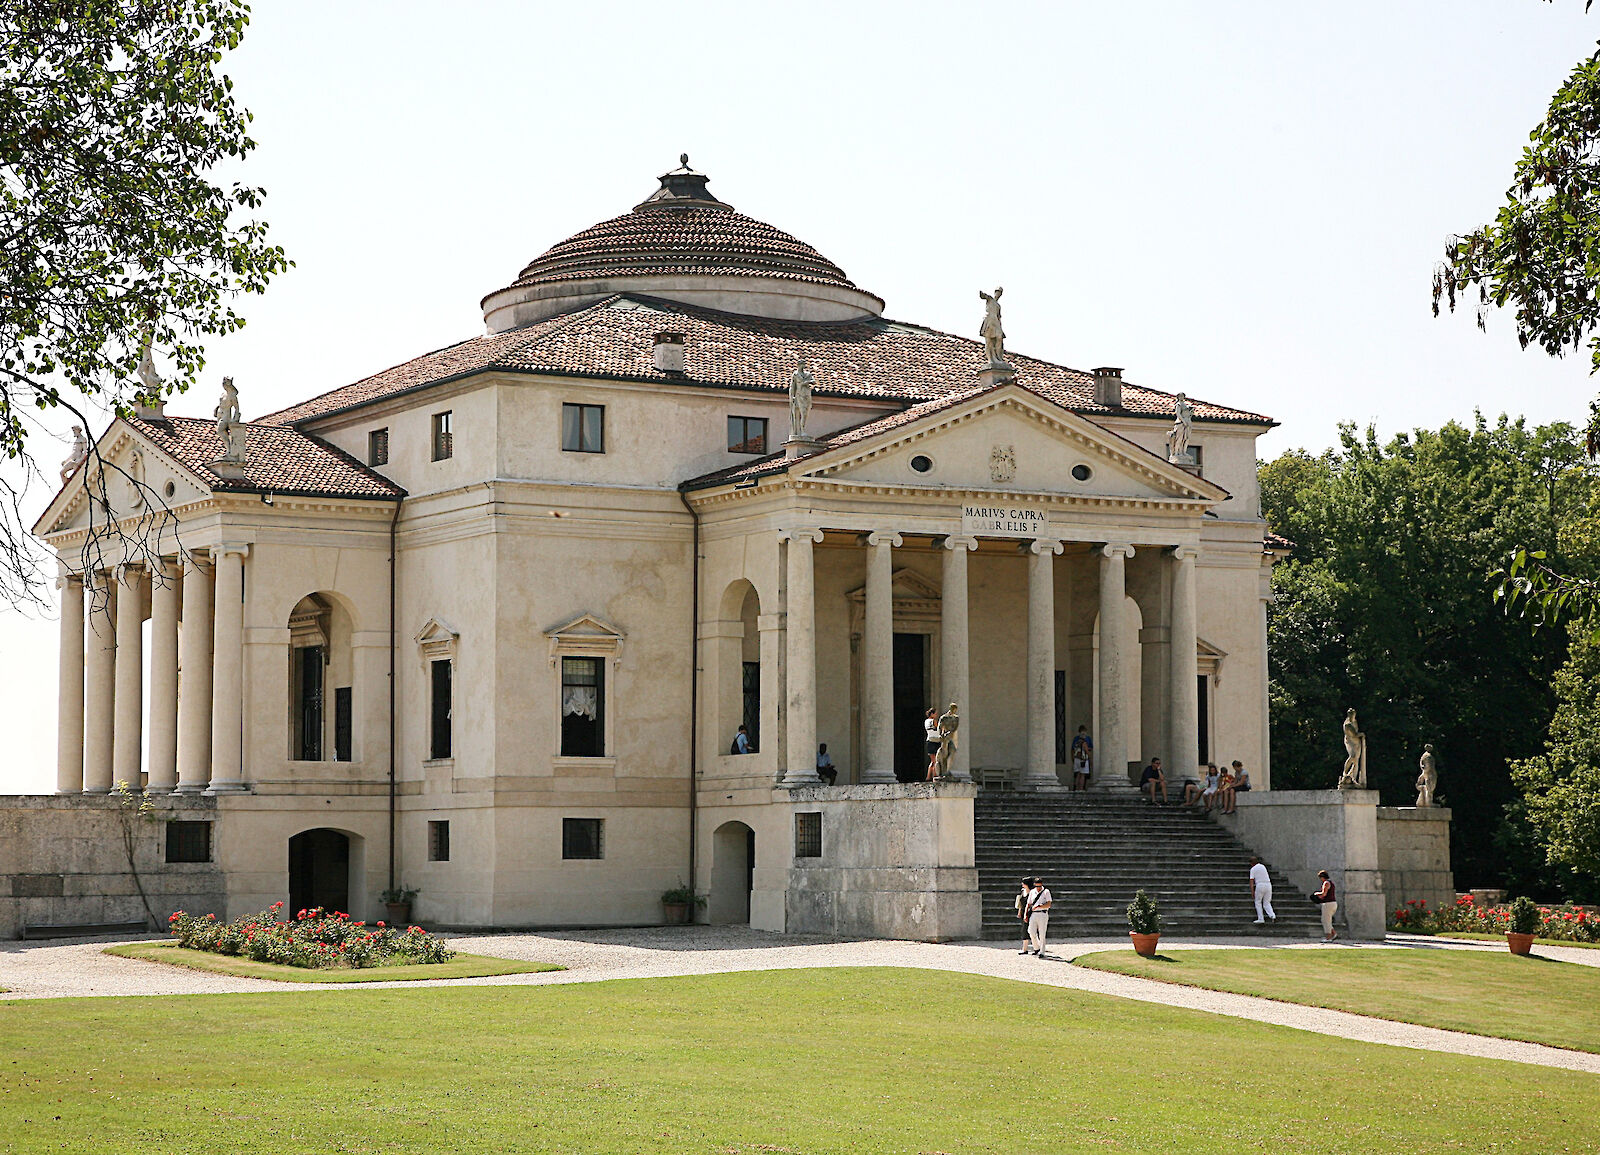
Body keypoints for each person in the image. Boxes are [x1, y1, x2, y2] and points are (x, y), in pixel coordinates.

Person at [1026, 876, 1053, 957]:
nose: (1038, 888)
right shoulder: (1032, 892)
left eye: (1039, 886)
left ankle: (1042, 951)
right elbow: (1029, 903)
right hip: (1034, 914)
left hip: (1042, 913)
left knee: (1042, 933)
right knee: (1031, 931)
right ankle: (1036, 947)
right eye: (1036, 886)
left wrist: (1040, 906)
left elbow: (1049, 904)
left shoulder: (1046, 892)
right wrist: (1025, 914)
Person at [1249, 856, 1275, 925]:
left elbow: (1251, 881)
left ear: (1251, 863)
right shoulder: (1263, 866)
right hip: (1268, 884)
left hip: (1260, 885)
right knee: (1267, 902)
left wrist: (1252, 891)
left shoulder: (1253, 869)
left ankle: (1261, 918)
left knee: (1258, 902)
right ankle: (1272, 915)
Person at [1314, 869, 1338, 941]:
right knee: (1327, 920)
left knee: (1325, 920)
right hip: (1333, 903)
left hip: (1328, 903)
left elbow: (1323, 893)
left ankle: (1328, 937)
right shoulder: (1331, 883)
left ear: (1322, 877)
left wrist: (1316, 894)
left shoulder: (1326, 883)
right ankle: (1333, 933)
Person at [1014, 877, 1035, 954]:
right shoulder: (1023, 891)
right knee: (1024, 930)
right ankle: (1025, 948)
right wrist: (1019, 912)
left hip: (1031, 912)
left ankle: (1036, 947)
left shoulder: (1033, 892)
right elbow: (1020, 903)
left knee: (1032, 930)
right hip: (1023, 912)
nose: (1022, 884)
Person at [1071, 726, 1093, 791]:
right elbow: (1087, 751)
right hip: (1083, 759)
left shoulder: (1076, 741)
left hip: (1076, 759)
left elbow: (1072, 749)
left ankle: (1076, 788)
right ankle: (1080, 788)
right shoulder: (1084, 742)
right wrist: (1090, 759)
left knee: (1078, 774)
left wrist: (1073, 758)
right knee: (1082, 775)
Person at [924, 708, 941, 781]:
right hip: (935, 742)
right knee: (935, 760)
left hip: (929, 741)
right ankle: (934, 775)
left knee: (933, 761)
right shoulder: (934, 721)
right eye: (935, 713)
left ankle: (928, 777)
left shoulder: (926, 721)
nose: (936, 715)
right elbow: (939, 728)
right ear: (932, 714)